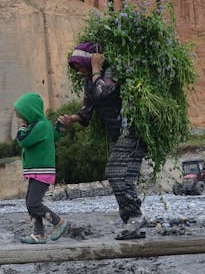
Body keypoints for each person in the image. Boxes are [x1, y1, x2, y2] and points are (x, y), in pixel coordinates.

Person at [58, 42, 148, 239]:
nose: (80, 72)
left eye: (81, 67)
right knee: (124, 177)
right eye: (77, 69)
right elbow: (87, 111)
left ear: (90, 61)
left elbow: (104, 92)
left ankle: (135, 218)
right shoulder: (90, 81)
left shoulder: (112, 72)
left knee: (115, 173)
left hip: (131, 130)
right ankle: (134, 222)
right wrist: (72, 119)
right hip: (116, 134)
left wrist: (97, 68)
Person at [13, 92, 67, 244]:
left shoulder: (40, 126)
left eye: (21, 115)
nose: (20, 118)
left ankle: (58, 222)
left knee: (33, 203)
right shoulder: (42, 125)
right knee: (30, 203)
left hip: (41, 171)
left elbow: (23, 141)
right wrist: (60, 128)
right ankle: (38, 234)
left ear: (30, 112)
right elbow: (54, 136)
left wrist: (22, 129)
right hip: (36, 172)